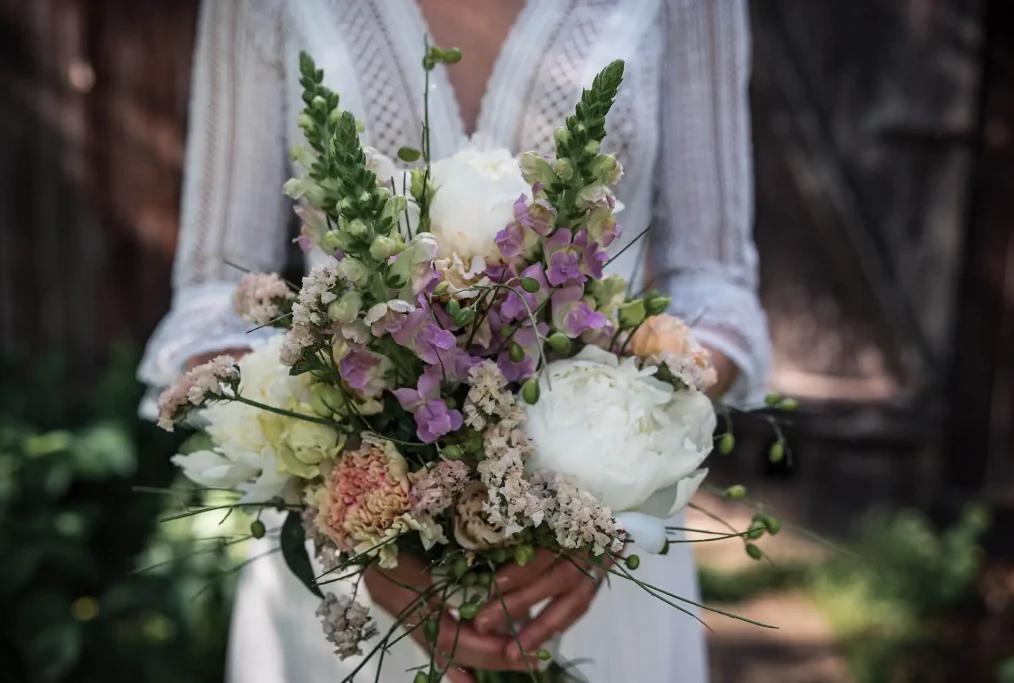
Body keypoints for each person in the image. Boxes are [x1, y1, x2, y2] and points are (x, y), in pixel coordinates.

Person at [139, 0, 770, 681]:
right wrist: (349, 509)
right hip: (347, 577)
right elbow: (213, 299)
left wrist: (612, 488)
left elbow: (716, 285)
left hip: (592, 571)